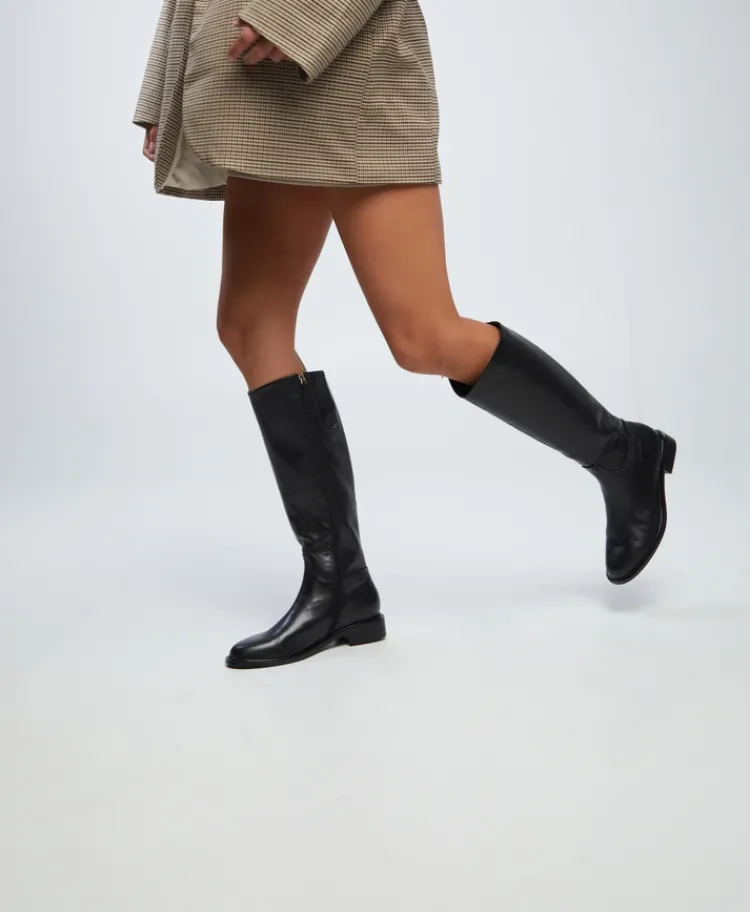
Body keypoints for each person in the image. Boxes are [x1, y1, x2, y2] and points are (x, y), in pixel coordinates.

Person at [134, 0, 676, 670]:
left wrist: (289, 16)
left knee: (422, 336)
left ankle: (623, 454)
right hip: (252, 83)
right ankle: (340, 589)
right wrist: (167, 87)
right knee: (249, 325)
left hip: (352, 73)